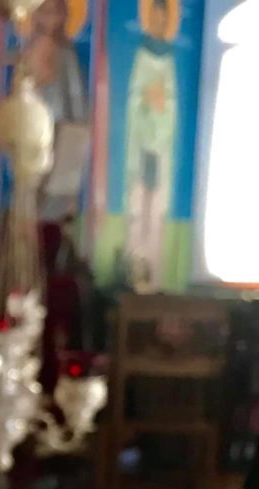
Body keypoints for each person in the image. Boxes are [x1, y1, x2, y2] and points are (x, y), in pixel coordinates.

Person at [124, 0, 177, 292]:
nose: (158, 23)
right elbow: (134, 94)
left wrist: (163, 101)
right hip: (141, 141)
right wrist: (146, 98)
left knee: (156, 208)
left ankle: (154, 275)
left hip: (161, 143)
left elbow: (172, 100)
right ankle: (134, 269)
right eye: (154, 17)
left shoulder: (168, 57)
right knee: (137, 204)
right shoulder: (142, 53)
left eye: (162, 18)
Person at [24, 0, 89, 222]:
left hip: (61, 124)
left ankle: (52, 223)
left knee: (56, 182)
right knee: (32, 180)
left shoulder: (66, 53)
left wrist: (79, 123)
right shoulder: (29, 48)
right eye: (44, 11)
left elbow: (75, 93)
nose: (49, 18)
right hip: (32, 127)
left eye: (54, 12)